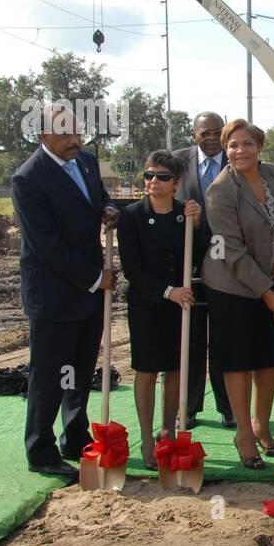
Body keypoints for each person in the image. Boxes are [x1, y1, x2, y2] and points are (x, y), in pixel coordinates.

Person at [11, 103, 119, 480]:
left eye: (78, 132)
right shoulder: (29, 179)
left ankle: (75, 436)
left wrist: (107, 209)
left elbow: (99, 196)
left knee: (79, 367)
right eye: (65, 135)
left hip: (87, 292)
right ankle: (40, 450)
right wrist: (95, 278)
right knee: (50, 374)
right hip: (54, 293)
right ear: (43, 136)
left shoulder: (86, 161)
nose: (75, 140)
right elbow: (47, 245)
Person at [201, 118, 274, 470]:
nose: (240, 151)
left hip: (270, 279)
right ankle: (244, 432)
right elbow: (230, 249)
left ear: (259, 147)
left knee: (270, 359)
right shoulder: (221, 189)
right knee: (239, 361)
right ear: (226, 151)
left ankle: (262, 424)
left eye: (247, 144)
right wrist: (265, 293)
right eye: (232, 145)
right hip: (232, 286)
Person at [116, 151, 203, 469]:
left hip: (180, 305)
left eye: (162, 177)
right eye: (149, 176)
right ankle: (147, 438)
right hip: (148, 304)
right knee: (147, 370)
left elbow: (201, 252)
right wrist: (168, 292)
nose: (154, 182)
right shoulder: (133, 216)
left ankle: (168, 430)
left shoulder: (185, 214)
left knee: (176, 369)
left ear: (176, 183)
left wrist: (198, 221)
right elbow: (133, 269)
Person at [174, 111, 235, 429]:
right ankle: (189, 406)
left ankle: (229, 407)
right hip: (189, 262)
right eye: (205, 132)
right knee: (191, 337)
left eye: (217, 132)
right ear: (194, 134)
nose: (212, 138)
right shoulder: (177, 163)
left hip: (228, 261)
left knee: (225, 338)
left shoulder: (238, 158)